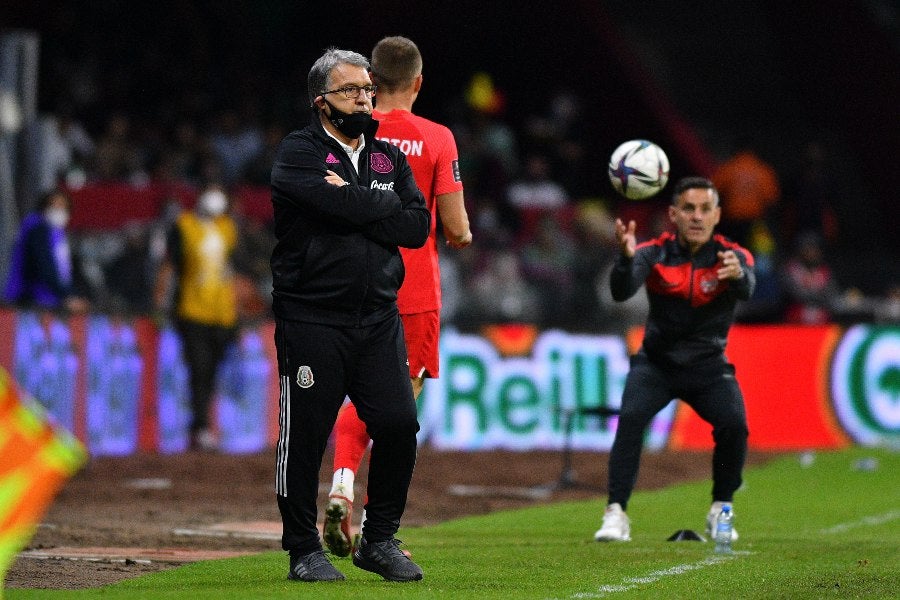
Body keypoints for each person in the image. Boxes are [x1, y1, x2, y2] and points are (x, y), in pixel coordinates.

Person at [270, 47, 430, 583]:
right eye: (351, 91)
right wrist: (375, 209)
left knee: (400, 424)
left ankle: (379, 539)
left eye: (368, 89)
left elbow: (416, 227)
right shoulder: (298, 152)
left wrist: (353, 202)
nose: (364, 98)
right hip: (312, 318)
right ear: (322, 102)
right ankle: (302, 550)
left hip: (378, 318)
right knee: (306, 436)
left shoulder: (388, 158)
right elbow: (356, 211)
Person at [323, 36, 473, 560]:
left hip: (345, 286)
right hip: (411, 294)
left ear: (369, 81)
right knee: (395, 409)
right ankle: (378, 528)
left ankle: (340, 478)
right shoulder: (436, 138)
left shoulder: (345, 130)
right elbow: (454, 227)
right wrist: (460, 232)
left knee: (353, 396)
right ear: (418, 83)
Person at [593, 176, 755, 543]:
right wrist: (625, 258)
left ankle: (722, 509)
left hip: (708, 366)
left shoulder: (733, 257)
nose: (696, 217)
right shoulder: (653, 252)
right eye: (688, 209)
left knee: (735, 425)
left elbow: (749, 287)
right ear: (673, 214)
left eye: (704, 209)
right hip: (657, 364)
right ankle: (615, 513)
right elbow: (621, 292)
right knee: (630, 420)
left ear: (717, 215)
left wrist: (740, 278)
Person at [153, 183, 238, 452]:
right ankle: (199, 427)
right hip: (192, 310)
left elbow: (231, 268)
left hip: (223, 313)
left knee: (212, 371)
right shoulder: (184, 225)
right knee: (199, 369)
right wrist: (159, 301)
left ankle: (202, 425)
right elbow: (171, 264)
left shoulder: (228, 228)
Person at [3, 188, 89, 313]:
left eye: (63, 206)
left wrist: (72, 293)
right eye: (54, 206)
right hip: (29, 301)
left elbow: (61, 270)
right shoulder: (37, 229)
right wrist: (68, 296)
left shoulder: (56, 232)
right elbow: (45, 266)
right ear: (44, 207)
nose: (58, 210)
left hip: (46, 300)